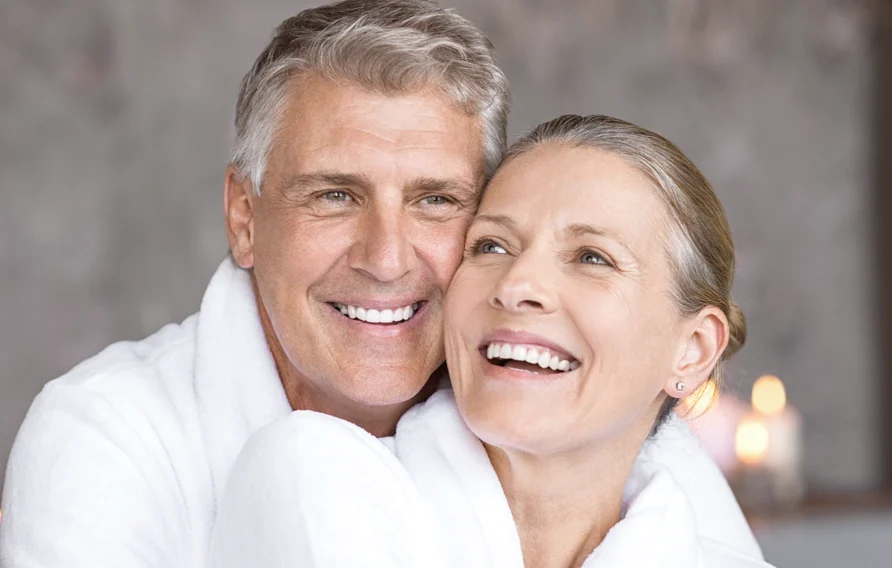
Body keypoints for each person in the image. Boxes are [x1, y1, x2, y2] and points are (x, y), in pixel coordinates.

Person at [0, 2, 761, 566]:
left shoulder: (598, 437)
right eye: (334, 195)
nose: (387, 257)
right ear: (244, 217)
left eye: (437, 201)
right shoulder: (107, 436)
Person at [207, 115, 773, 567]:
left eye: (591, 257)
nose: (519, 284)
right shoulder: (313, 479)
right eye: (491, 246)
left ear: (694, 349)